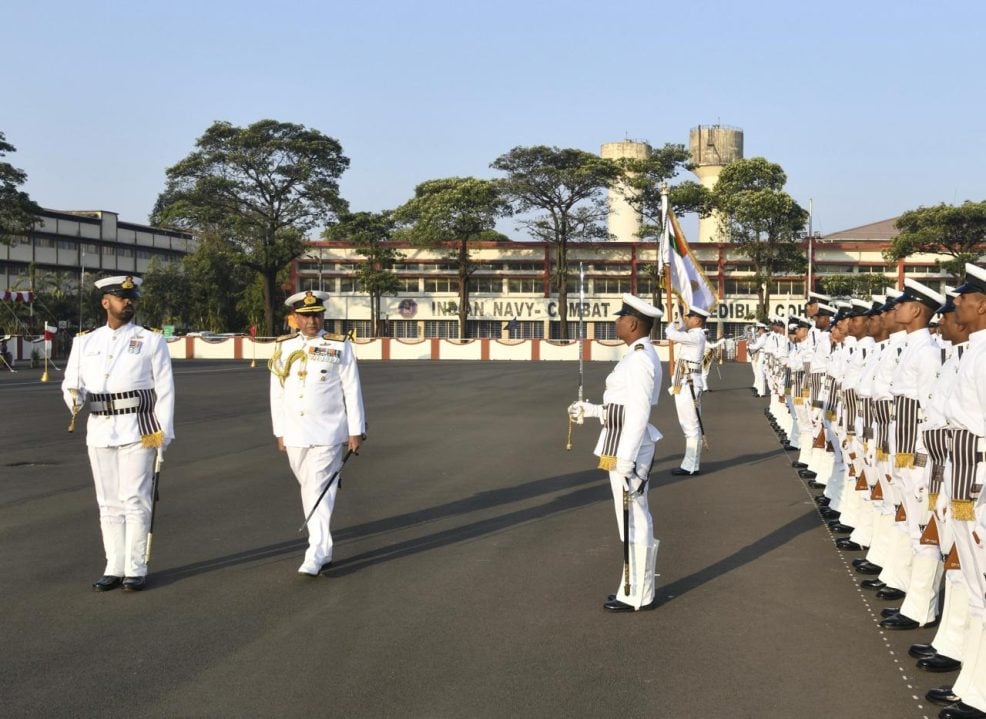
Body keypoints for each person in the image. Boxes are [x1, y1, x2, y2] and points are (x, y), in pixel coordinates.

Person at [61, 275, 175, 592]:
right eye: (121, 297)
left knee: (135, 499)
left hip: (140, 428)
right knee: (108, 502)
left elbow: (165, 390)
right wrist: (74, 398)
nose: (128, 302)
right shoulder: (85, 342)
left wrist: (164, 435)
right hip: (100, 429)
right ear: (105, 302)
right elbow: (71, 382)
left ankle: (135, 568)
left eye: (131, 298)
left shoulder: (150, 340)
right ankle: (114, 566)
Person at [567, 293, 663, 612]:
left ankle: (639, 593)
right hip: (620, 441)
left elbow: (638, 412)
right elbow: (620, 406)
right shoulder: (635, 355)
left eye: (621, 318)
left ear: (633, 324)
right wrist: (592, 410)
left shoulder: (640, 359)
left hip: (628, 447)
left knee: (635, 519)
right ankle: (630, 587)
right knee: (629, 520)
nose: (616, 322)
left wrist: (626, 457)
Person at [269, 290, 365, 577]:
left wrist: (356, 430)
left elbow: (352, 389)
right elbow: (277, 392)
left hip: (328, 431)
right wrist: (279, 430)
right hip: (295, 432)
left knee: (317, 489)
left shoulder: (338, 346)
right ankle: (323, 548)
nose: (312, 321)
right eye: (306, 316)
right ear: (295, 318)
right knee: (309, 488)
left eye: (317, 315)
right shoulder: (283, 346)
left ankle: (317, 553)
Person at [666, 306, 709, 476]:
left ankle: (690, 466)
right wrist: (681, 322)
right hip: (685, 382)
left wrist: (673, 322)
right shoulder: (693, 335)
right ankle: (691, 464)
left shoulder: (696, 336)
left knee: (691, 426)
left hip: (688, 384)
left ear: (697, 320)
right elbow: (681, 331)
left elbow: (670, 334)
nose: (687, 320)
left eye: (689, 317)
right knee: (689, 425)